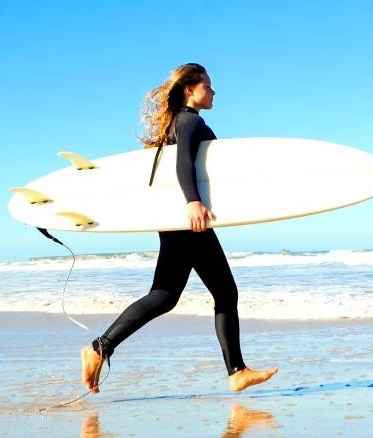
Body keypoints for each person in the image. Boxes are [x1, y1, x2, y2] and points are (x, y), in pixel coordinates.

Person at [80, 63, 279, 394]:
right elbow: (183, 163)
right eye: (208, 86)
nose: (213, 92)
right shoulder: (190, 121)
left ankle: (101, 348)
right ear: (190, 89)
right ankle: (236, 371)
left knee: (166, 295)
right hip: (188, 219)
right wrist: (193, 202)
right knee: (222, 293)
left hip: (176, 220)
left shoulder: (174, 125)